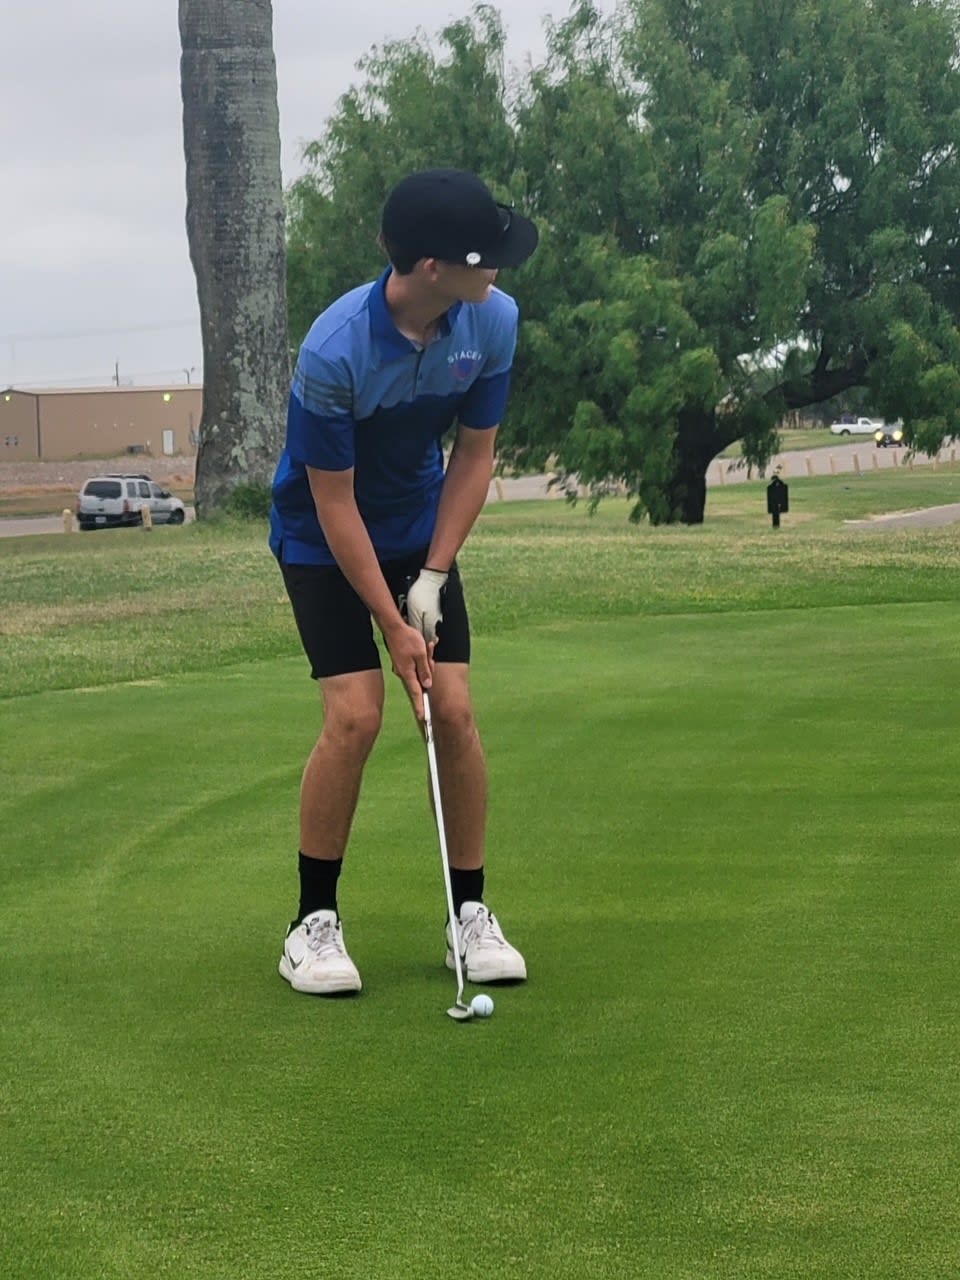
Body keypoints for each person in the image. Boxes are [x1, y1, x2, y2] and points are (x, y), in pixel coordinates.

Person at [270, 168, 539, 996]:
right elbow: (333, 501)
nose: (498, 267)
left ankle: (469, 914)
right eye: (482, 256)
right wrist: (391, 625)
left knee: (451, 709)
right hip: (323, 539)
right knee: (356, 716)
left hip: (419, 530)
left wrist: (433, 574)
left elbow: (474, 456)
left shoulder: (492, 320)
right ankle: (312, 925)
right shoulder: (335, 349)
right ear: (431, 268)